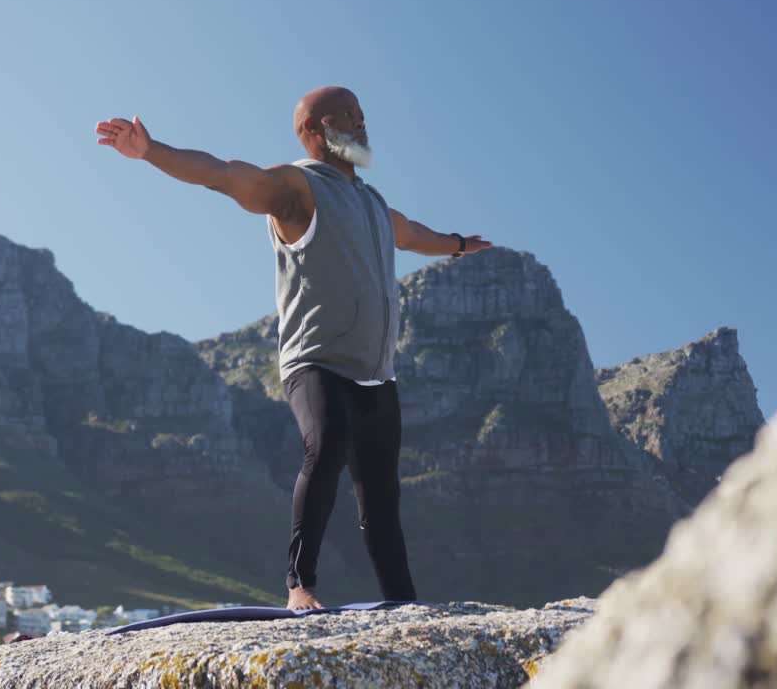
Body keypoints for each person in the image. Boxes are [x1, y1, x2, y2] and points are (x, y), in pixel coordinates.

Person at [94, 86, 493, 610]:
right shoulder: (295, 188)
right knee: (327, 444)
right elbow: (223, 173)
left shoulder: (373, 204)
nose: (361, 123)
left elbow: (416, 235)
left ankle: (403, 602)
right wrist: (151, 151)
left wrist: (460, 245)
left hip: (375, 373)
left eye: (362, 114)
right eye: (347, 116)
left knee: (381, 493)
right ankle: (299, 586)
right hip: (316, 362)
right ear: (313, 129)